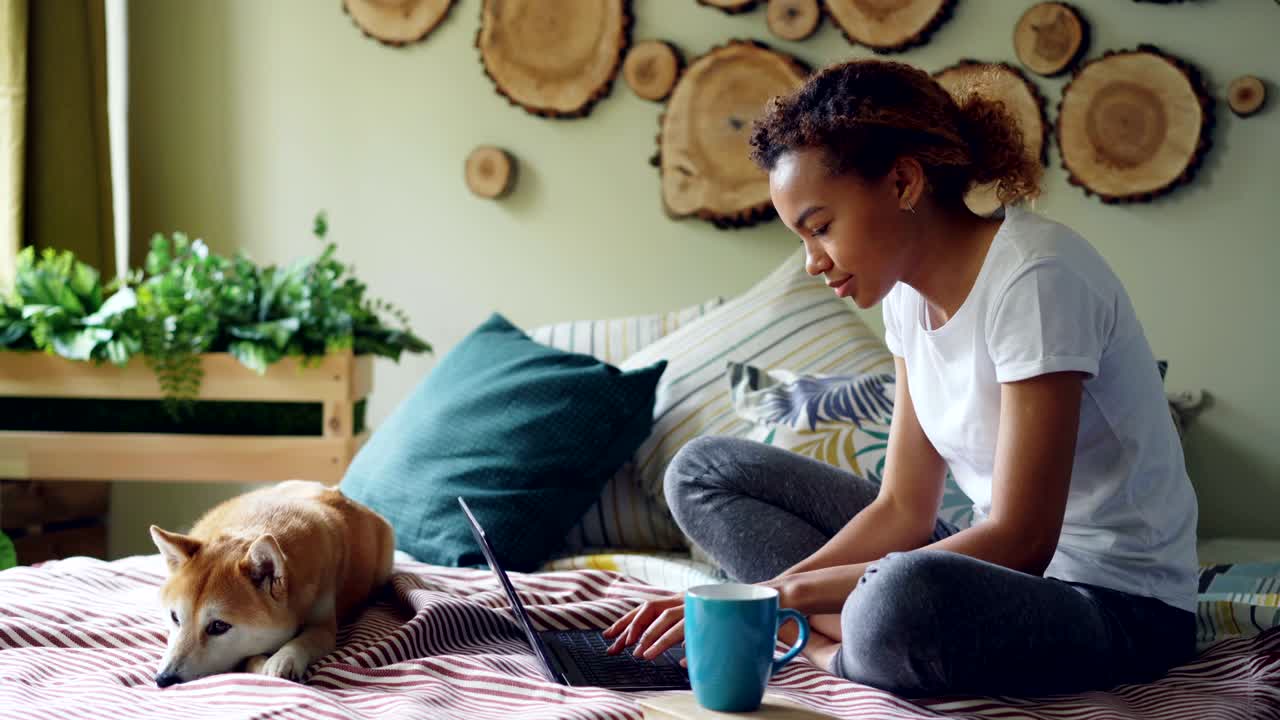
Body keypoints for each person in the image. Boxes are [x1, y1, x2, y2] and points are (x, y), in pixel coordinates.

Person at [602, 58, 1199, 698]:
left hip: (1113, 607)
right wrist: (766, 597)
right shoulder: (905, 298)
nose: (812, 263)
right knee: (702, 472)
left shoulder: (1037, 278)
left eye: (821, 227)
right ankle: (841, 634)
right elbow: (904, 509)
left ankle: (828, 648)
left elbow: (1024, 540)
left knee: (898, 598)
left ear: (904, 182)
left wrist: (782, 592)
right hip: (983, 572)